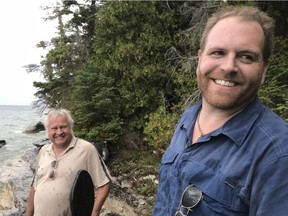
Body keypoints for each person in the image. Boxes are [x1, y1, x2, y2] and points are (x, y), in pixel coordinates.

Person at [153, 5, 288, 216]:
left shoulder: (277, 154)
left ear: (263, 71)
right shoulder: (188, 118)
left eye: (246, 57)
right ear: (200, 60)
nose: (228, 67)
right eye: (218, 52)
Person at [25, 109, 111, 216]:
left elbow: (104, 184)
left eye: (63, 127)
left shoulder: (86, 149)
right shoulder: (43, 151)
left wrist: (95, 212)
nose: (59, 132)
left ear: (70, 127)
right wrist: (28, 213)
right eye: (54, 128)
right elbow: (35, 185)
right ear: (48, 131)